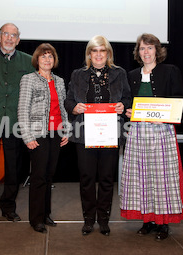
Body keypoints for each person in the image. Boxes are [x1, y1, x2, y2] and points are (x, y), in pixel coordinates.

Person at [120, 33, 183, 241]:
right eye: (142, 48)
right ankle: (147, 221)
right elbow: (127, 101)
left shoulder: (170, 71)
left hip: (161, 132)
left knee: (162, 179)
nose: (146, 52)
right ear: (138, 52)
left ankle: (163, 223)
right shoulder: (131, 75)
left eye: (150, 48)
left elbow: (178, 100)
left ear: (157, 51)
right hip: (138, 133)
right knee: (141, 178)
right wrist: (128, 110)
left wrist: (167, 118)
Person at [64, 35, 131, 236]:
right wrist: (74, 108)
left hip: (110, 132)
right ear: (89, 54)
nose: (99, 54)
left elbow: (128, 98)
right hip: (84, 133)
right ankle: (88, 219)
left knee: (107, 178)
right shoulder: (78, 74)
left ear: (108, 53)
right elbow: (68, 101)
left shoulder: (119, 73)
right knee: (86, 178)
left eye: (103, 50)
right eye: (95, 50)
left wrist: (123, 105)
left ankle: (103, 219)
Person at [0, 23, 35, 224]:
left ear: (18, 40)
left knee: (13, 169)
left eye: (14, 35)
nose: (10, 38)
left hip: (15, 121)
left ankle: (8, 207)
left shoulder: (28, 61)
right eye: (6, 34)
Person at [18, 43, 69, 233]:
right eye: (43, 56)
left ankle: (46, 214)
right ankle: (36, 219)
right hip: (37, 134)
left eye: (50, 56)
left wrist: (66, 130)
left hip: (55, 134)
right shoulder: (28, 80)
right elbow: (22, 109)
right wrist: (27, 136)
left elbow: (63, 108)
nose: (47, 59)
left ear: (54, 60)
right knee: (38, 177)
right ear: (37, 60)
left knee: (49, 176)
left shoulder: (60, 81)